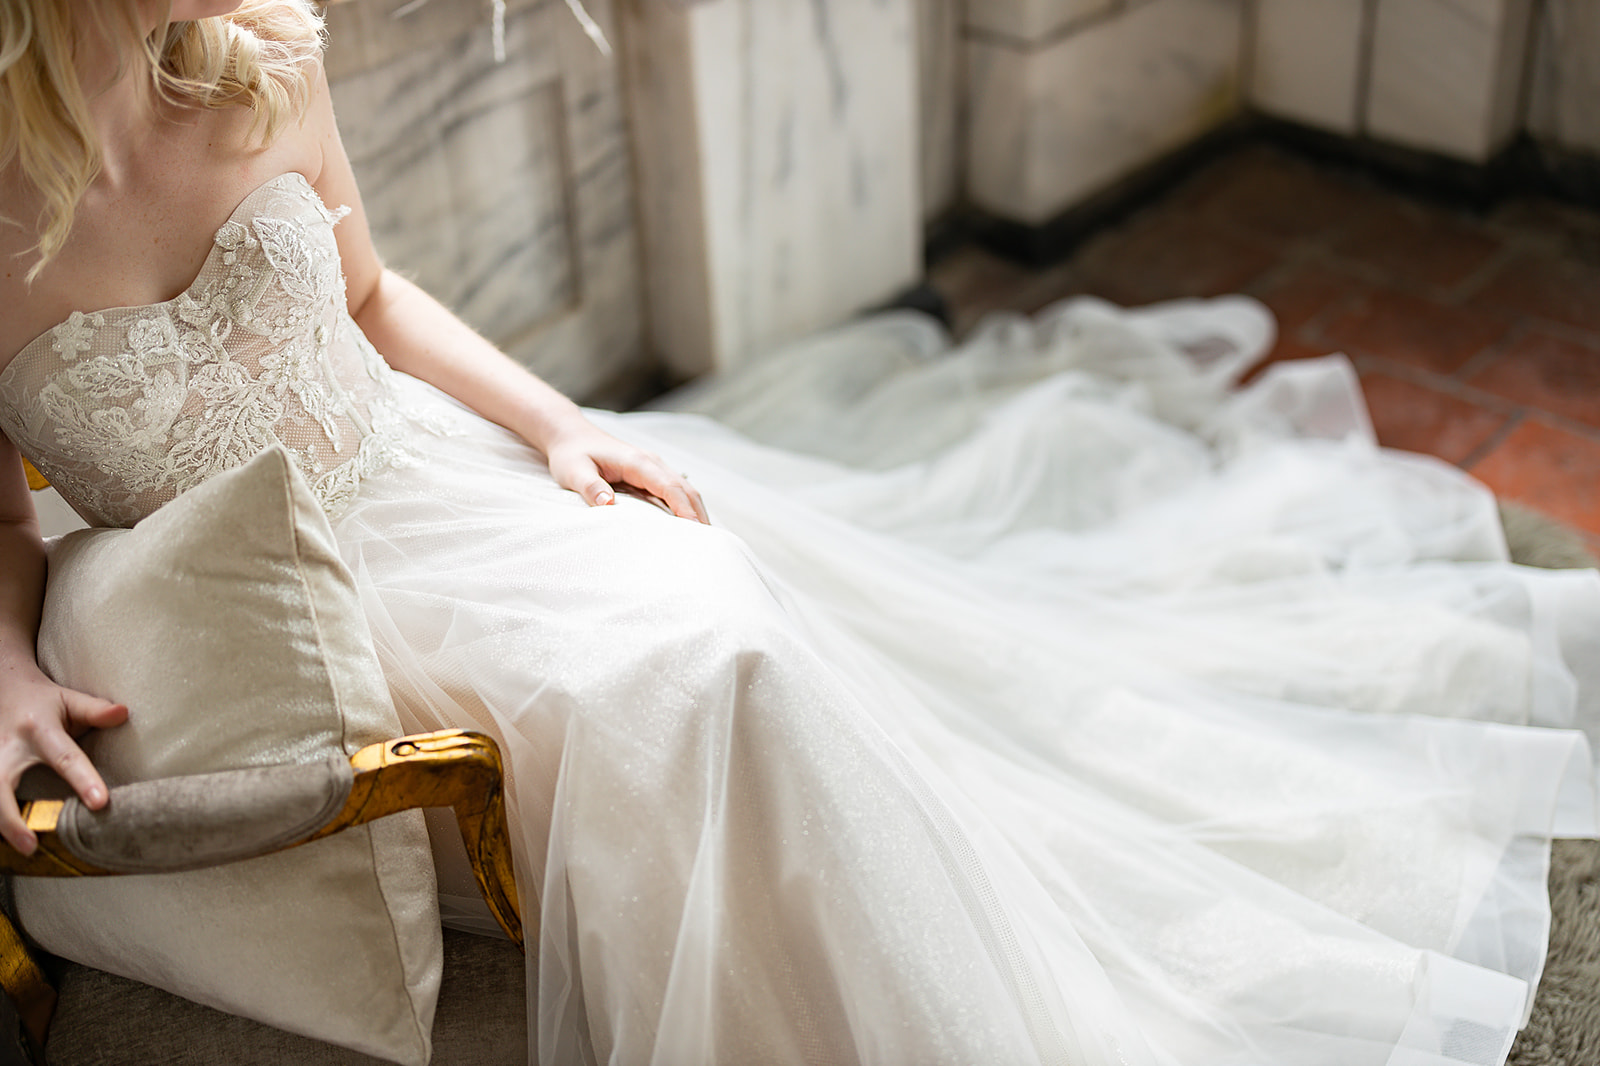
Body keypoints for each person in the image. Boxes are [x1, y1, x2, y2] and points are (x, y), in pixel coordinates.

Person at [2, 2, 1597, 1064]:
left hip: (436, 480)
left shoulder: (264, 48)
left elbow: (367, 295)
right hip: (273, 618)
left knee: (727, 612)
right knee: (692, 681)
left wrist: (558, 423)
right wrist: (3, 661)